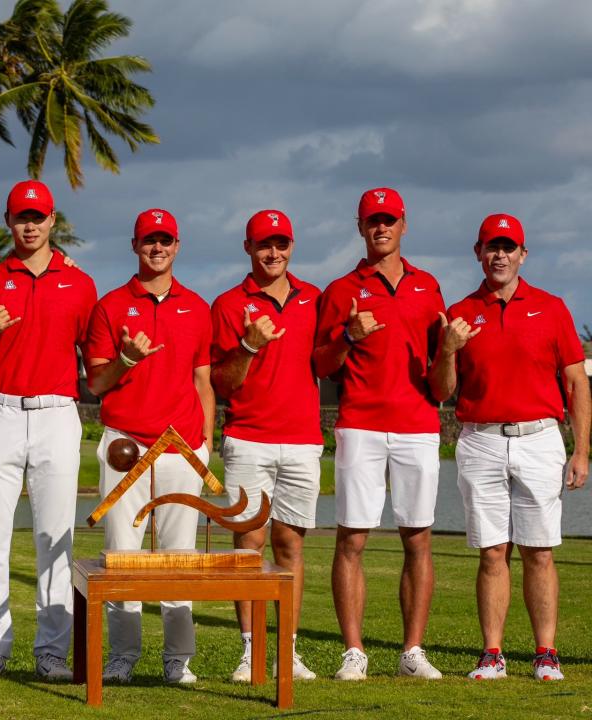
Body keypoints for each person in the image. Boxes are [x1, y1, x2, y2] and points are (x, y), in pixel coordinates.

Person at [429, 213, 590, 681]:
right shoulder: (460, 312)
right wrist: (448, 348)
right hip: (480, 440)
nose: (500, 255)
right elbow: (442, 391)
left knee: (539, 550)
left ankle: (545, 654)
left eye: (508, 247)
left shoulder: (552, 307)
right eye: (491, 247)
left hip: (539, 438)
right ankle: (492, 655)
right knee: (492, 551)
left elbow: (577, 382)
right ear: (477, 253)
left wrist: (580, 451)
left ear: (523, 254)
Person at [0, 180, 96, 680]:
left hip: (58, 410)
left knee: (54, 537)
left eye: (38, 217)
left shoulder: (80, 284)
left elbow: (94, 356)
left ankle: (51, 651)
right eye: (22, 217)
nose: (31, 225)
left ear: (53, 220)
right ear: (9, 221)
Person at [313, 187, 444, 680]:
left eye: (389, 220)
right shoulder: (342, 289)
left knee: (419, 539)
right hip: (361, 424)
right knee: (352, 539)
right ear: (361, 227)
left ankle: (412, 651)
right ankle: (354, 652)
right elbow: (322, 364)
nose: (381, 228)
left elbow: (439, 370)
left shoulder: (428, 286)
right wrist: (349, 335)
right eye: (373, 221)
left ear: (403, 224)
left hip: (418, 425)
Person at [85, 208, 214, 685]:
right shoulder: (110, 305)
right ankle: (123, 654)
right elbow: (97, 382)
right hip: (126, 447)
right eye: (148, 241)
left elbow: (203, 382)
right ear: (135, 246)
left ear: (177, 246)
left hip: (183, 448)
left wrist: (207, 446)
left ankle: (178, 657)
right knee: (123, 555)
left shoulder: (198, 308)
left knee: (178, 557)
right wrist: (125, 359)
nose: (157, 248)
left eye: (165, 240)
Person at [210, 209, 322, 682]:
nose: (272, 253)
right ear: (248, 249)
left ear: (291, 246)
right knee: (249, 547)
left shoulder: (315, 299)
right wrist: (250, 347)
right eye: (263, 245)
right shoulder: (229, 304)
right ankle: (252, 650)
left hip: (302, 440)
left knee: (290, 546)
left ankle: (288, 651)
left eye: (280, 244)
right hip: (247, 438)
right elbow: (223, 382)